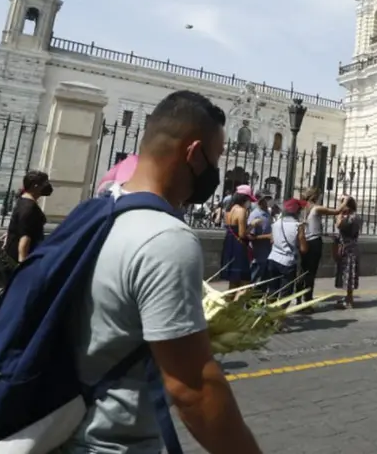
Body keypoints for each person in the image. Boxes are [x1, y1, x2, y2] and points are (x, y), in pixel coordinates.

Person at [63, 91, 260, 453]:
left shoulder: (91, 214)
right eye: (215, 159)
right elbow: (192, 389)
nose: (215, 172)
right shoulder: (166, 239)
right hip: (111, 444)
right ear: (193, 153)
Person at [299, 188, 347, 309]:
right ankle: (308, 301)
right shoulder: (316, 208)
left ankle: (298, 299)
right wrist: (346, 200)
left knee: (301, 271)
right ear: (315, 197)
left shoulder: (302, 208)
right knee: (311, 272)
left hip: (303, 240)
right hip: (314, 242)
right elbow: (337, 211)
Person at [3, 171, 51, 265]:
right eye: (45, 183)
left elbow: (20, 224)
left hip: (12, 255)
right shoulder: (29, 207)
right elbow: (25, 238)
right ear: (35, 186)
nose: (48, 186)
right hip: (20, 258)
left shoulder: (23, 200)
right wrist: (22, 265)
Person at [267, 198, 308, 300]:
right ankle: (280, 313)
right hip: (287, 262)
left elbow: (272, 241)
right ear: (297, 212)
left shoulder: (276, 223)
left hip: (273, 259)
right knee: (286, 292)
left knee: (272, 289)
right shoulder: (298, 226)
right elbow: (304, 249)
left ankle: (269, 311)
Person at [221, 184, 256, 291]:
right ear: (244, 198)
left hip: (229, 243)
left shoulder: (228, 210)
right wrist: (252, 225)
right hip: (239, 247)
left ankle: (229, 304)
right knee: (244, 281)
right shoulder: (241, 211)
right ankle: (238, 304)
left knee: (233, 281)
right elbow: (242, 233)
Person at [335, 196, 362, 308]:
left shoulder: (353, 217)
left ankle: (349, 300)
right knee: (346, 273)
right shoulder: (352, 216)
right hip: (347, 247)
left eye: (343, 204)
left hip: (349, 249)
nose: (341, 207)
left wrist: (339, 212)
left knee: (349, 273)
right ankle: (347, 297)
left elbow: (339, 225)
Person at [247, 191, 273, 285]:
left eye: (270, 198)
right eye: (266, 199)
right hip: (257, 255)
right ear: (260, 201)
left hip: (267, 253)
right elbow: (250, 236)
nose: (269, 201)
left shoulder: (267, 213)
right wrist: (268, 236)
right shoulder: (255, 215)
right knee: (252, 280)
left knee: (263, 282)